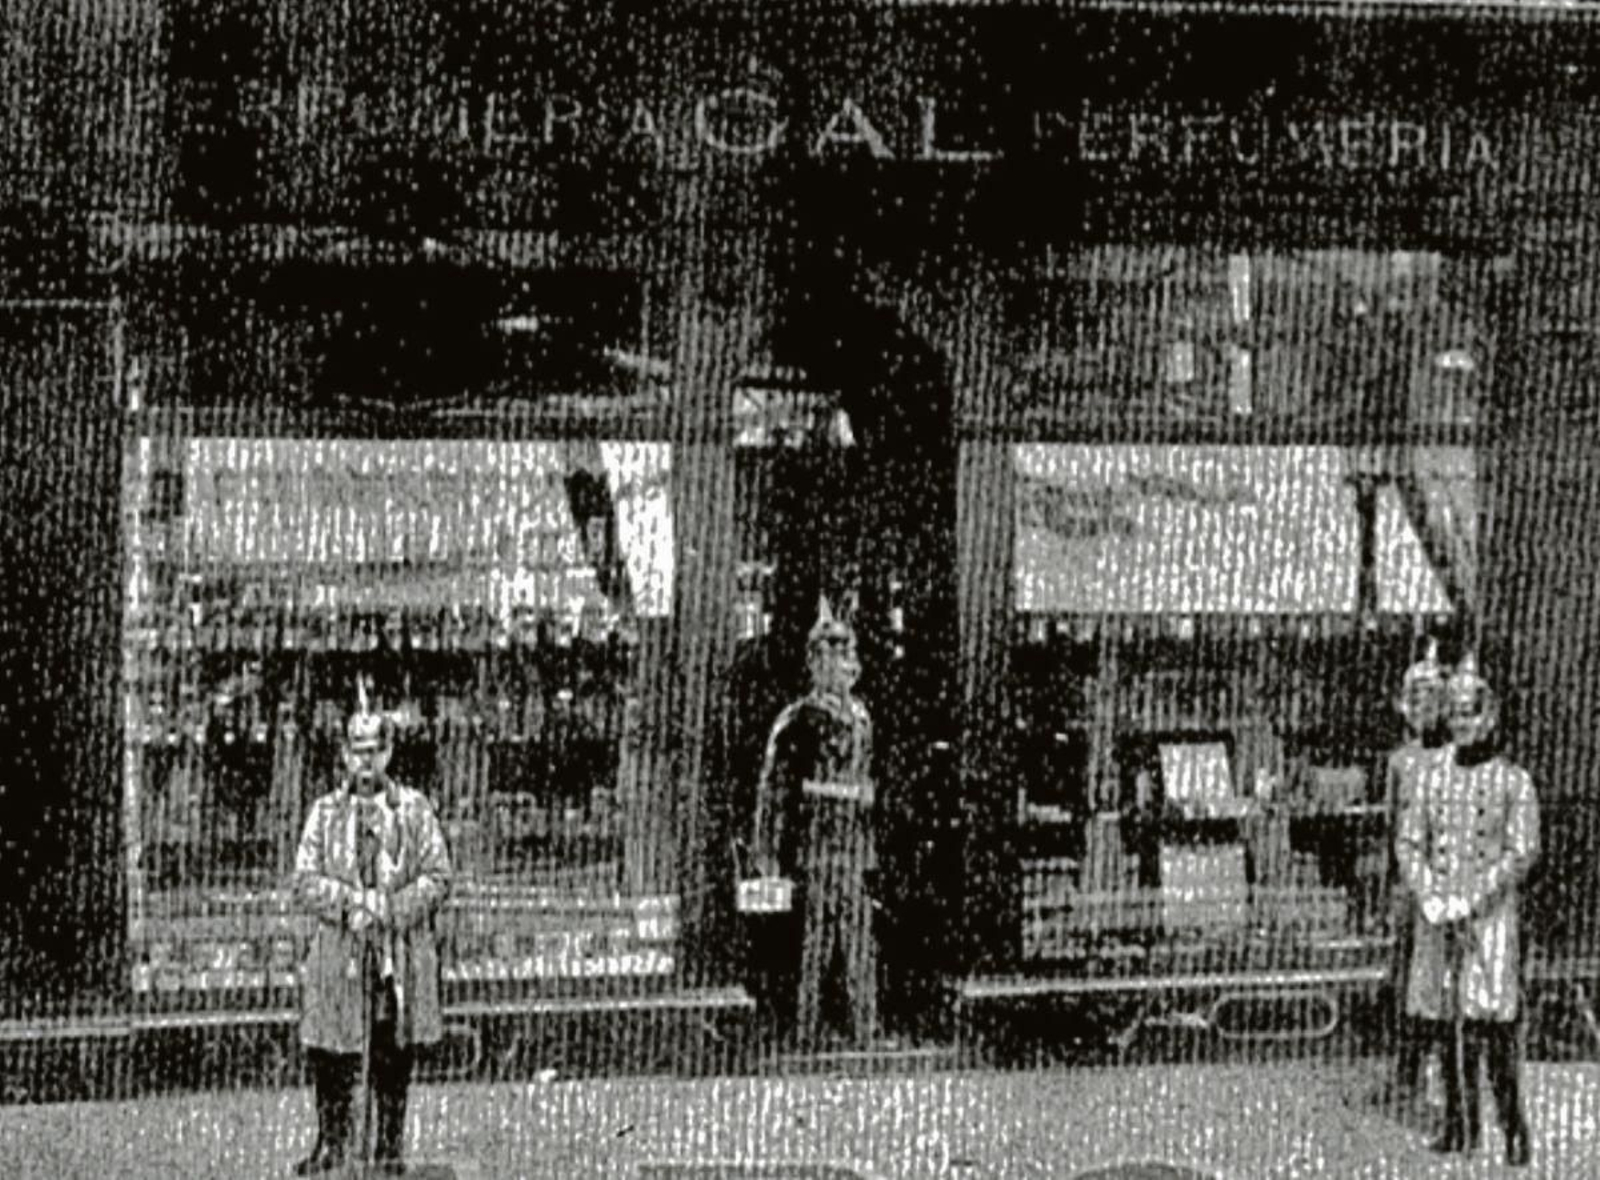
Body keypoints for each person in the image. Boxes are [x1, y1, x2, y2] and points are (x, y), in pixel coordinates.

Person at [292, 690, 452, 1176]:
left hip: (393, 953)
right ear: (344, 754)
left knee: (391, 1052)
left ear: (388, 752)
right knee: (329, 1052)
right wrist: (349, 905)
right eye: (356, 748)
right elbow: (304, 879)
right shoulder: (324, 813)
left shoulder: (415, 811)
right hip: (340, 950)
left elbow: (438, 876)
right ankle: (331, 1141)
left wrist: (391, 908)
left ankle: (389, 1147)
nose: (365, 759)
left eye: (374, 748)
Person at [1398, 654, 1539, 1166]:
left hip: (1490, 917)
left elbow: (1522, 852)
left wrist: (1472, 897)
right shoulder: (1431, 779)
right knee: (1445, 1026)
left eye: (1470, 714)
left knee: (1494, 1027)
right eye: (1454, 715)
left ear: (1490, 717)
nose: (1461, 724)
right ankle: (1459, 1126)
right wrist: (1432, 896)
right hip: (1438, 916)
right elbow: (1409, 842)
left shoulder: (1513, 782)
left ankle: (1514, 1129)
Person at [751, 596, 879, 1050]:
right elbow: (774, 788)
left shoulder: (861, 717)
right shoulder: (798, 720)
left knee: (859, 939)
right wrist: (765, 849)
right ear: (817, 661)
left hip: (854, 844)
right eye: (840, 655)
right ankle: (806, 1029)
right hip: (817, 843)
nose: (851, 665)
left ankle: (864, 1029)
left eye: (851, 653)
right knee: (817, 942)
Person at [1383, 639, 1453, 1117]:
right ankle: (1406, 1068)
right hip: (1410, 887)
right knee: (1406, 977)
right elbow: (1393, 823)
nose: (1423, 709)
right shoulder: (1401, 762)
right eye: (1416, 700)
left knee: (1444, 982)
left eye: (1433, 699)